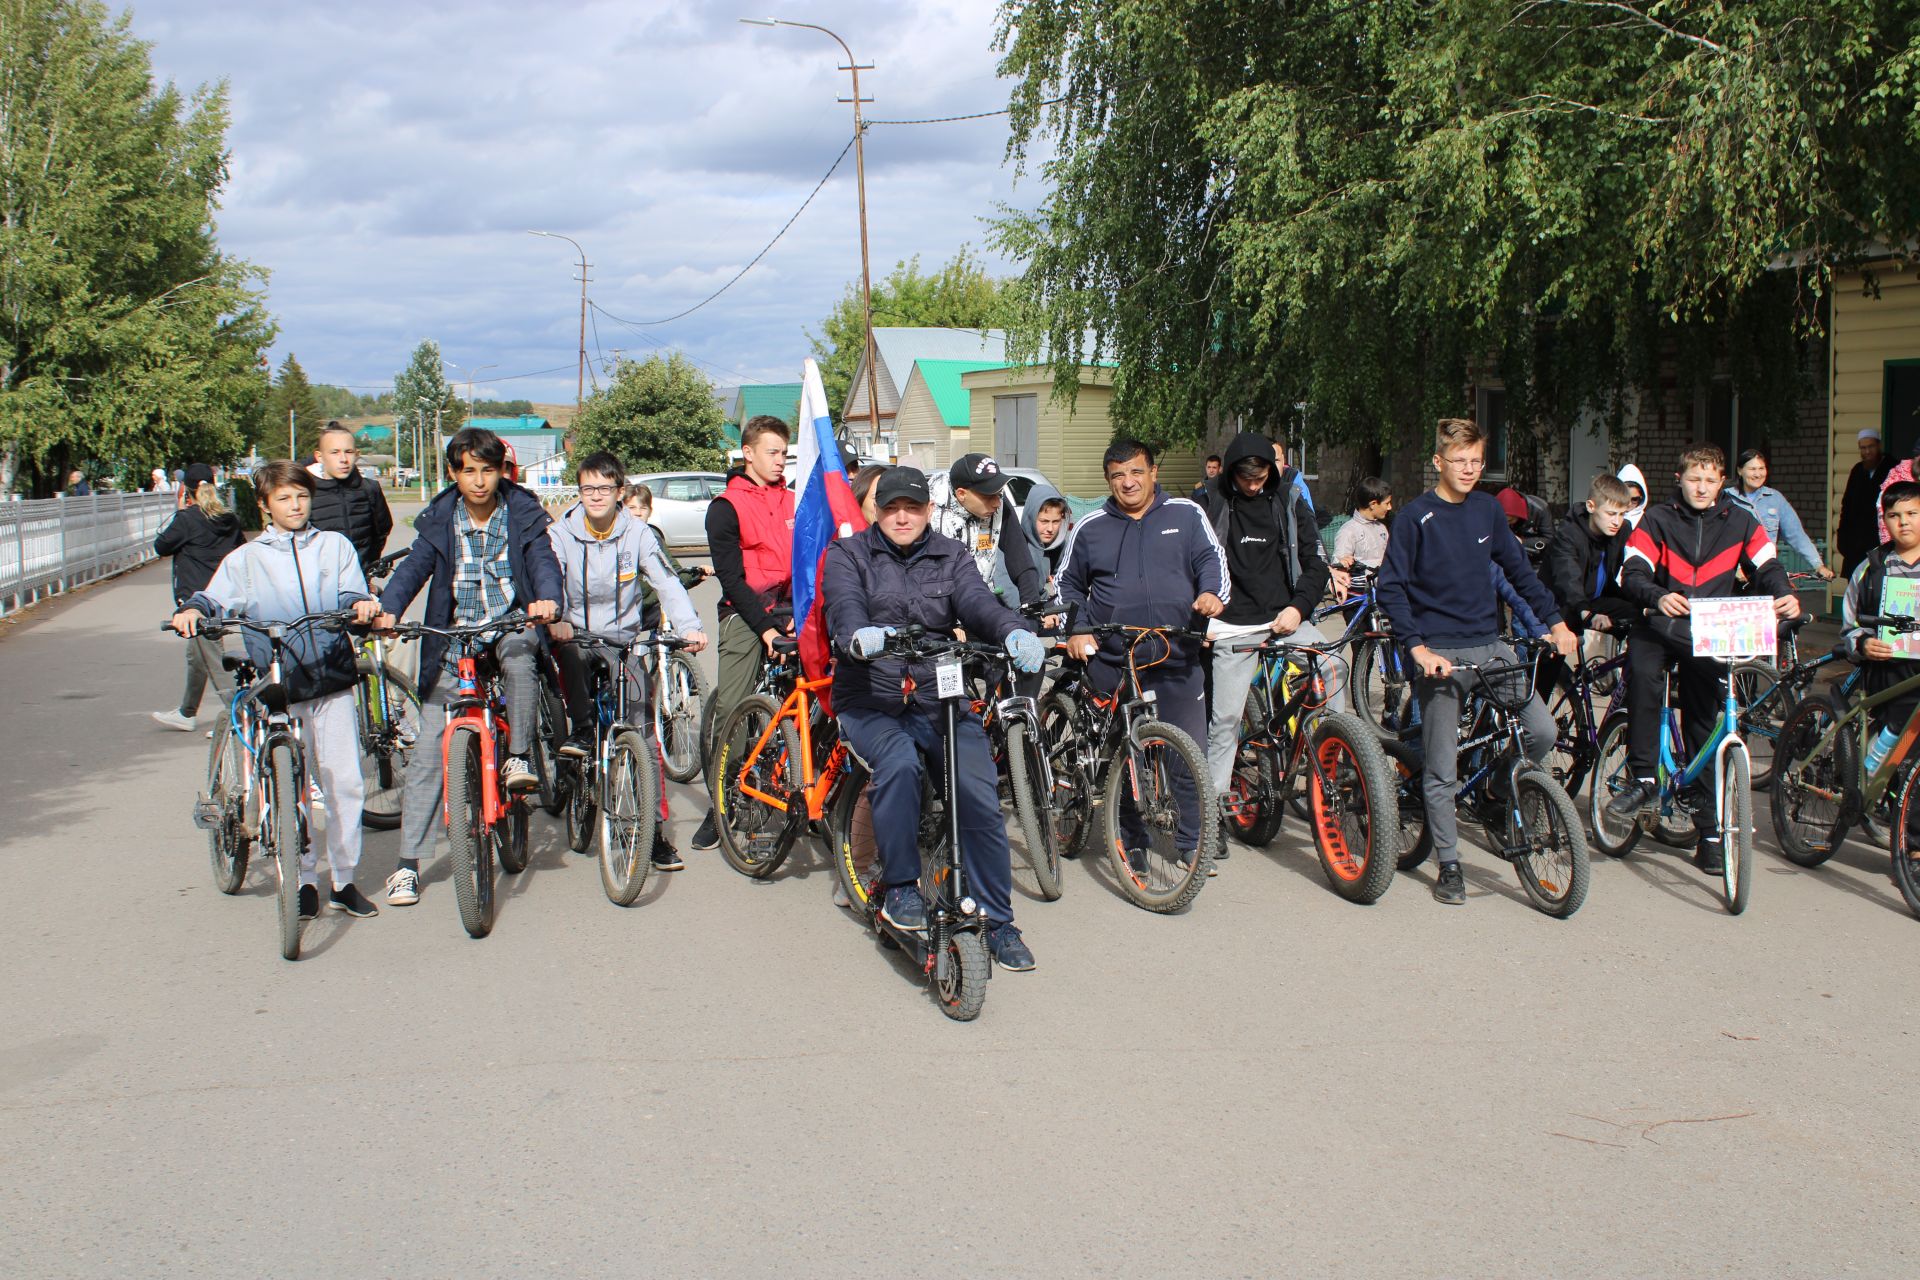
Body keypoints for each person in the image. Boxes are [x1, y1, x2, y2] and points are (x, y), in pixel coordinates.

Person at [822, 466, 1046, 971]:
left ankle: (996, 919)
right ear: (876, 511)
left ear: (928, 509)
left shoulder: (952, 553)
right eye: (891, 507)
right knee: (899, 763)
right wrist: (858, 637)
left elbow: (976, 601)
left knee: (979, 793)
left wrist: (1011, 631)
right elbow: (845, 606)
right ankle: (900, 886)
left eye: (913, 507)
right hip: (871, 697)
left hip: (938, 696)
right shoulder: (849, 554)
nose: (902, 517)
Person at [1375, 418, 1578, 906]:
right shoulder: (1414, 518)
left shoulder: (1487, 511)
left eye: (1476, 462)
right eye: (1459, 462)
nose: (1468, 470)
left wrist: (1555, 623)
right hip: (1439, 655)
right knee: (1442, 769)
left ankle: (1492, 792)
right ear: (1438, 463)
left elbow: (1521, 575)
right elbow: (1391, 588)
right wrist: (1418, 649)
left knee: (1543, 730)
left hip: (1491, 645)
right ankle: (1448, 864)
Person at [171, 460, 384, 919]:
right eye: (284, 498)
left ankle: (344, 880)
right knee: (294, 784)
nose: (295, 505)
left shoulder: (334, 546)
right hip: (280, 683)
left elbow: (350, 591)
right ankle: (304, 878)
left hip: (332, 676)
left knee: (344, 782)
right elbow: (212, 596)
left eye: (302, 496)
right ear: (265, 505)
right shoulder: (247, 559)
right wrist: (192, 609)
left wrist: (361, 604)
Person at [373, 427, 562, 907]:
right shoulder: (438, 520)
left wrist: (547, 600)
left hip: (510, 624)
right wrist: (390, 609)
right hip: (453, 635)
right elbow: (413, 570)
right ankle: (407, 864)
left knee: (521, 658)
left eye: (488, 470)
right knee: (429, 755)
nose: (479, 481)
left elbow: (543, 562)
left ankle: (518, 754)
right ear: (454, 473)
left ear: (501, 471)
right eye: (469, 471)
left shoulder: (522, 513)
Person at [1609, 444, 1800, 875]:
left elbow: (1767, 567)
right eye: (1694, 479)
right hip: (1660, 624)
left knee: (1706, 720)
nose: (1702, 487)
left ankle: (1711, 834)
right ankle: (1642, 778)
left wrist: (1784, 594)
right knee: (1644, 679)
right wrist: (1658, 596)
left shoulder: (1741, 522)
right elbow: (1631, 572)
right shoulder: (1657, 519)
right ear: (1680, 479)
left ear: (1721, 483)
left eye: (1711, 480)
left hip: (1707, 631)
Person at [1057, 439, 1227, 870]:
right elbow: (1066, 585)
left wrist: (1210, 593)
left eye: (1136, 472)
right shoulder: (1091, 526)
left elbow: (1212, 560)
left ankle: (1192, 843)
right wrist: (1076, 629)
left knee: (1187, 755)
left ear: (1153, 472)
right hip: (1114, 659)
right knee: (1122, 756)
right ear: (1108, 481)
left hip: (1176, 656)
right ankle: (1129, 840)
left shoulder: (1186, 514)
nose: (1127, 482)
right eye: (1117, 475)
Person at [548, 453, 708, 870]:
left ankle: (652, 834)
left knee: (644, 736)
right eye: (587, 489)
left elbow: (665, 581)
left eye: (604, 489)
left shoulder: (637, 534)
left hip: (624, 643)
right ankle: (583, 730)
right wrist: (558, 620)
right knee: (571, 653)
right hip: (576, 635)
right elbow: (550, 577)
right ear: (578, 492)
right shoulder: (561, 534)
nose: (595, 496)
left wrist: (689, 626)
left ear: (620, 493)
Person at [1197, 432, 1335, 855]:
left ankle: (1334, 757)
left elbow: (1315, 564)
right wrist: (1202, 614)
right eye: (1246, 479)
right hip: (1232, 627)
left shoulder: (1290, 501)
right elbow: (1193, 560)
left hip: (1284, 619)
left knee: (1333, 667)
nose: (1254, 486)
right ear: (1233, 473)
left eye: (1261, 478)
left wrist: (1298, 607)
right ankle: (1213, 814)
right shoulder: (1210, 502)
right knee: (1224, 722)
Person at [693, 414, 796, 852]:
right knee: (732, 705)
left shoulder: (794, 500)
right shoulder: (725, 507)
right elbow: (732, 581)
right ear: (747, 453)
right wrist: (768, 628)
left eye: (784, 454)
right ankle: (722, 804)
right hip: (746, 613)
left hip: (791, 609)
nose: (779, 461)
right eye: (772, 453)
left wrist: (799, 614)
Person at [151, 463, 247, 732]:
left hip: (196, 602)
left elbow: (161, 546)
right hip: (222, 596)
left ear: (187, 490)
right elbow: (240, 551)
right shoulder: (229, 518)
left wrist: (180, 513)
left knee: (215, 661)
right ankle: (187, 712)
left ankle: (238, 715)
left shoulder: (187, 519)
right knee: (197, 657)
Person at [1841, 481, 1920, 783]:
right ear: (1885, 520)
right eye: (1894, 515)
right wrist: (1864, 643)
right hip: (1887, 672)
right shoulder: (1871, 569)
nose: (1903, 522)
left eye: (1912, 513)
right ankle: (1876, 765)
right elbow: (1849, 627)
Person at [927, 453, 1045, 608]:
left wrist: (1032, 606)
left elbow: (1020, 558)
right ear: (961, 494)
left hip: (982, 604)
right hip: (937, 608)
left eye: (999, 492)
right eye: (989, 495)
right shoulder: (929, 509)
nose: (997, 502)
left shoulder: (999, 504)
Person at [1542, 473, 1637, 638]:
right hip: (1558, 603)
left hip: (1594, 600)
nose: (1617, 521)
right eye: (1610, 513)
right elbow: (1568, 578)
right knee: (1554, 656)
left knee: (1640, 616)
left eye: (1621, 514)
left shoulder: (1622, 530)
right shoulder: (1569, 533)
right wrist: (1585, 612)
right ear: (1591, 506)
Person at [1726, 449, 1834, 580]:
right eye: (1752, 469)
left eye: (1761, 468)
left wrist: (1818, 566)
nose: (1757, 474)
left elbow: (1796, 535)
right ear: (1740, 471)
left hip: (1766, 573)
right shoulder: (1726, 498)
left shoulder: (1775, 498)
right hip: (1732, 576)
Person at [308, 421, 394, 578]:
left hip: (360, 585)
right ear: (319, 457)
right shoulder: (306, 493)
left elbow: (381, 532)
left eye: (348, 452)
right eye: (334, 452)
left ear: (357, 454)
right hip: (319, 588)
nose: (343, 459)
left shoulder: (370, 489)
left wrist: (369, 569)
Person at [623, 482, 711, 631]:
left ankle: (663, 650)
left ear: (650, 511)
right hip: (625, 611)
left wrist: (695, 574)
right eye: (631, 508)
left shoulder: (654, 538)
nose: (638, 513)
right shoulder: (617, 541)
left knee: (679, 607)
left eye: (643, 508)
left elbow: (672, 572)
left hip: (649, 607)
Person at [1837, 428, 1894, 577]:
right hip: (1855, 546)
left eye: (1871, 446)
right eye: (1863, 448)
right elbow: (1847, 506)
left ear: (1879, 446)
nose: (1867, 451)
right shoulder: (1857, 470)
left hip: (1880, 542)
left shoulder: (1892, 467)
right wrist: (1843, 540)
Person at [1020, 483, 1073, 590]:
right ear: (1031, 518)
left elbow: (1064, 575)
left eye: (1056, 522)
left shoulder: (1060, 545)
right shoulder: (1016, 545)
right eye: (1044, 521)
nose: (1050, 529)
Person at [1270, 439, 1315, 514]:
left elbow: (1308, 516)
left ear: (1283, 461)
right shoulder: (1252, 483)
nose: (1273, 466)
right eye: (1269, 461)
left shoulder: (1293, 478)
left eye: (1276, 460)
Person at [1617, 464, 1650, 530]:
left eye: (1634, 499)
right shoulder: (1607, 519)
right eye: (1625, 497)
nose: (1629, 503)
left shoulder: (1647, 523)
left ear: (1642, 498)